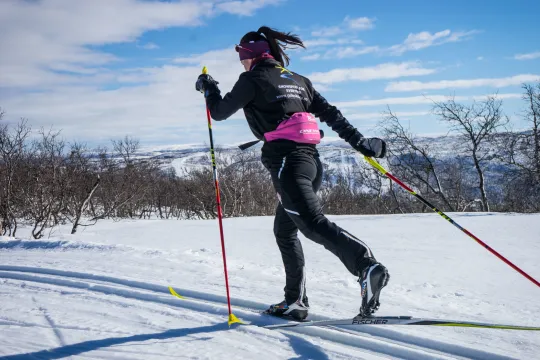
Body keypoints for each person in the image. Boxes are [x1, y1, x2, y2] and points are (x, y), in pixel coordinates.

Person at [195, 26, 389, 320]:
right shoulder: (300, 81)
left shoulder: (253, 78)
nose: (242, 63)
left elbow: (220, 112)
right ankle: (295, 302)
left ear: (253, 56)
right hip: (310, 163)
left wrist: (208, 88)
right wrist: (362, 144)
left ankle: (366, 266)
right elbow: (333, 116)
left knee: (312, 224)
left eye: (242, 58)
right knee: (285, 231)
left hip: (287, 163)